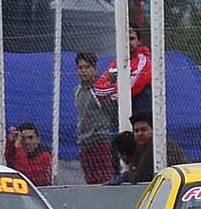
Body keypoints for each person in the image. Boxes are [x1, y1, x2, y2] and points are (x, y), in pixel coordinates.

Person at [73, 51, 114, 184]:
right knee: (90, 180)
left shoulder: (100, 89)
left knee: (105, 178)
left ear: (95, 68)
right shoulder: (77, 91)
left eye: (87, 67)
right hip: (84, 142)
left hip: (101, 140)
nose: (84, 71)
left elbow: (111, 113)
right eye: (81, 68)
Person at [94, 27, 153, 117]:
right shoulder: (117, 62)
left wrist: (111, 93)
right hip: (118, 113)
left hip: (139, 114)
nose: (128, 43)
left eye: (131, 39)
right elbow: (98, 88)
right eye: (125, 39)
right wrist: (115, 92)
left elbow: (131, 87)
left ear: (139, 41)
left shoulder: (144, 60)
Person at [122, 111, 184, 183]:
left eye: (143, 130)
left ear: (154, 130)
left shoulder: (158, 147)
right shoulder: (139, 148)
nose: (139, 134)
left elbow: (140, 178)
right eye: (136, 131)